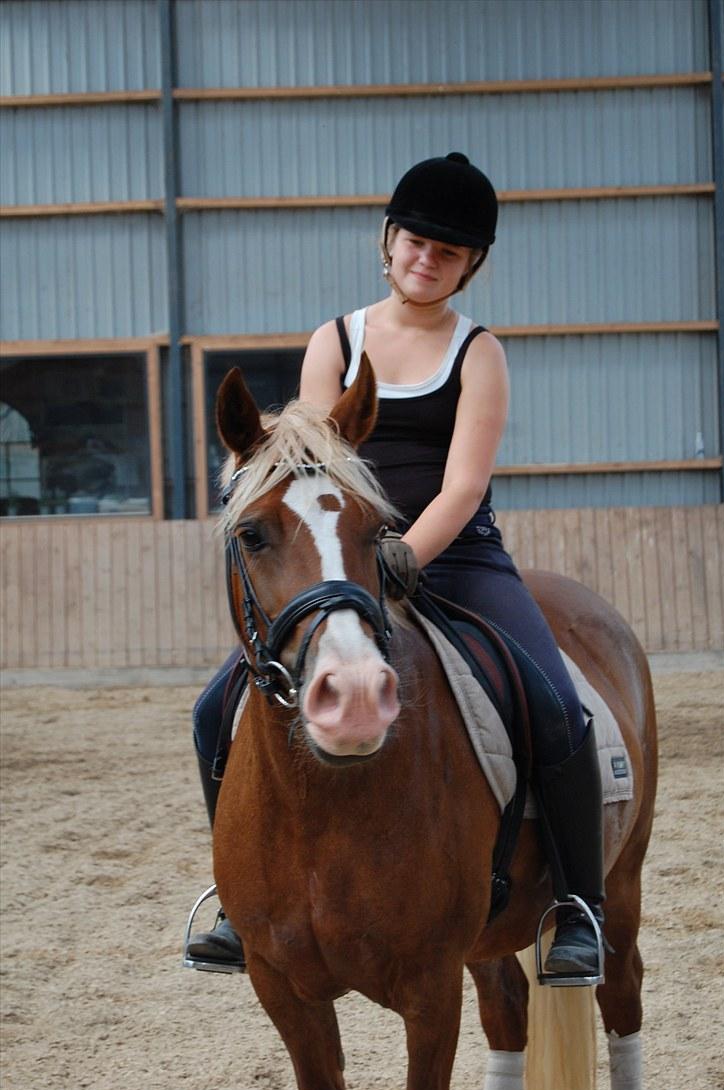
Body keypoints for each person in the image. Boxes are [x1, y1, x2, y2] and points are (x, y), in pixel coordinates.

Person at [186, 153, 605, 982]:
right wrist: (357, 563)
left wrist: (405, 556)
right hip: (341, 560)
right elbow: (306, 462)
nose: (427, 259)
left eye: (447, 253)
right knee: (212, 710)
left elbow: (465, 483)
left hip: (454, 559)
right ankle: (238, 901)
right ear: (390, 240)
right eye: (416, 242)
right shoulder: (334, 340)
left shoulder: (478, 352)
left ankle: (576, 908)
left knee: (557, 707)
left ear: (469, 264)